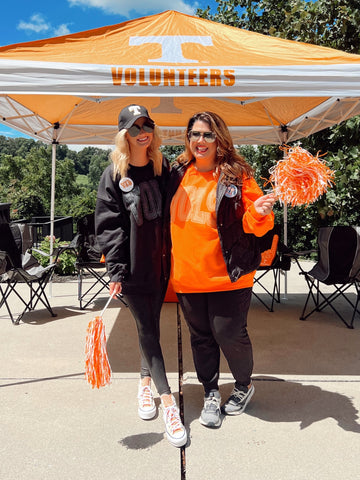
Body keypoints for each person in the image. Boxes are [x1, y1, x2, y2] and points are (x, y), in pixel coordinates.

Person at [166, 111, 276, 428]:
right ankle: (211, 393)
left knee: (229, 333)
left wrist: (255, 211)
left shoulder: (237, 175)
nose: (200, 141)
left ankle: (243, 385)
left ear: (220, 139)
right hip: (188, 276)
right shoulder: (176, 173)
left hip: (229, 274)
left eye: (208, 135)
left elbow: (258, 226)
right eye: (194, 135)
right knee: (201, 338)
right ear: (187, 139)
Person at [95, 104, 187, 447]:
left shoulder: (162, 168)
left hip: (160, 265)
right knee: (148, 330)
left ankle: (143, 385)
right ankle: (168, 404)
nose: (143, 131)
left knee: (150, 327)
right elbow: (109, 227)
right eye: (135, 127)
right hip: (132, 270)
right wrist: (116, 269)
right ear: (124, 134)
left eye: (147, 124)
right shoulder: (114, 175)